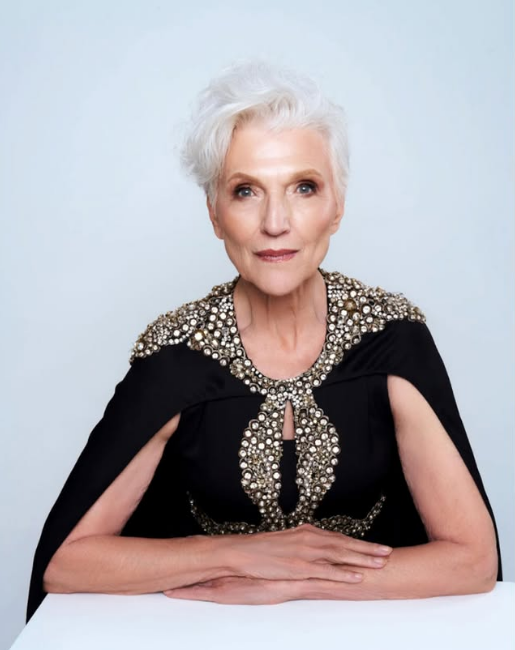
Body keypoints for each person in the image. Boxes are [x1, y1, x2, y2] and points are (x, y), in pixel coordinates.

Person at [27, 60, 501, 620]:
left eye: (304, 187)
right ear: (214, 214)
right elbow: (64, 564)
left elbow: (473, 561)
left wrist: (296, 583)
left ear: (337, 207)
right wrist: (238, 554)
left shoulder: (392, 340)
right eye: (246, 191)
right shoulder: (176, 357)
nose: (276, 222)